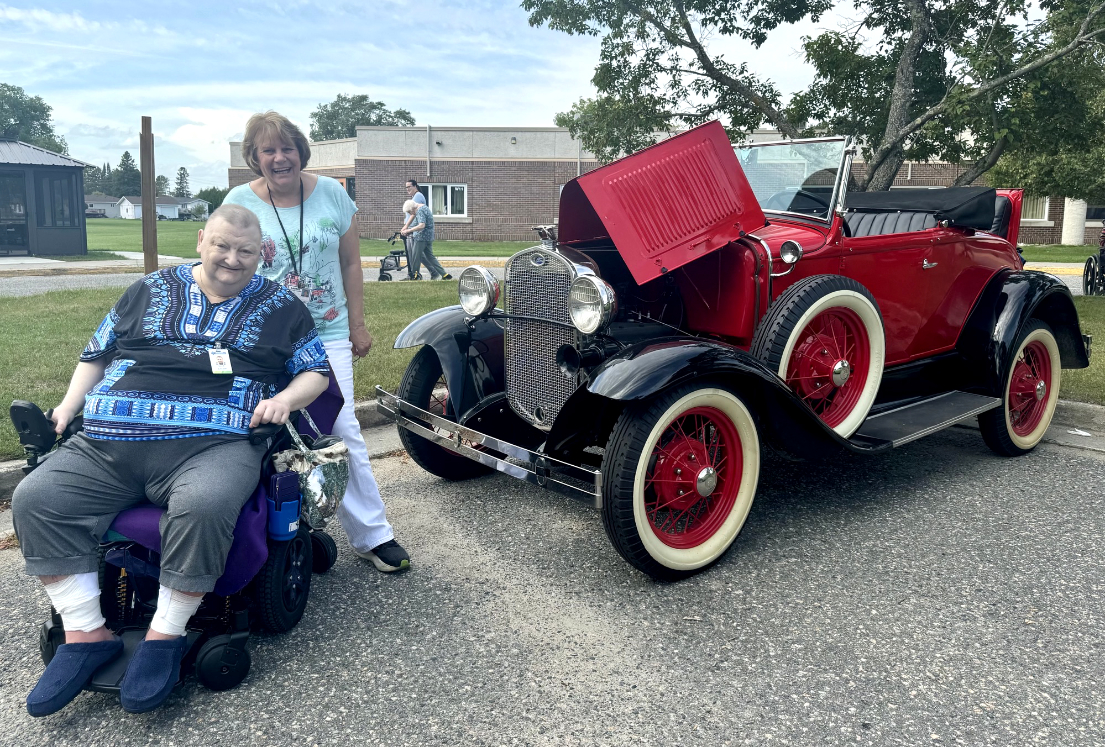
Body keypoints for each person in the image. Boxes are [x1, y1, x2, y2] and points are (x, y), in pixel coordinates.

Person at [11, 205, 331, 716]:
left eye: (246, 251)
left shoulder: (281, 306)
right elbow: (97, 352)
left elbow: (316, 372)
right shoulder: (146, 289)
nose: (232, 259)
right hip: (108, 443)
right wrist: (68, 408)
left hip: (213, 444)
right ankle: (85, 632)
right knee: (37, 498)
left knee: (204, 505)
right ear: (202, 239)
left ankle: (166, 635)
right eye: (222, 246)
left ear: (260, 254)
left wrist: (286, 400)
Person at [224, 111, 410, 572]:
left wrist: (358, 324)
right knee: (253, 430)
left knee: (341, 430)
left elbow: (350, 263)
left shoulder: (332, 194)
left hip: (327, 332)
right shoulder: (238, 201)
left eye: (287, 148)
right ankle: (254, 536)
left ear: (301, 152)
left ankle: (372, 536)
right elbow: (223, 266)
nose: (279, 158)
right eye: (268, 150)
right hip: (261, 337)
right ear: (255, 157)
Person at [401, 198, 451, 281]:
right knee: (430, 256)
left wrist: (409, 230)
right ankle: (444, 274)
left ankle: (415, 275)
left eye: (410, 212)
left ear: (412, 208)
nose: (411, 214)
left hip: (421, 237)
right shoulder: (424, 207)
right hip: (429, 237)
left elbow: (421, 225)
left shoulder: (419, 211)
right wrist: (408, 228)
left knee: (415, 257)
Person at [401, 179, 426, 280]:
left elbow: (414, 213)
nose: (407, 189)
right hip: (410, 229)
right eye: (406, 187)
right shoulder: (414, 197)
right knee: (414, 254)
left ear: (415, 186)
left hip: (413, 229)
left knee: (413, 254)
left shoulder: (418, 196)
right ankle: (413, 274)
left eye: (409, 187)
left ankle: (413, 275)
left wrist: (406, 227)